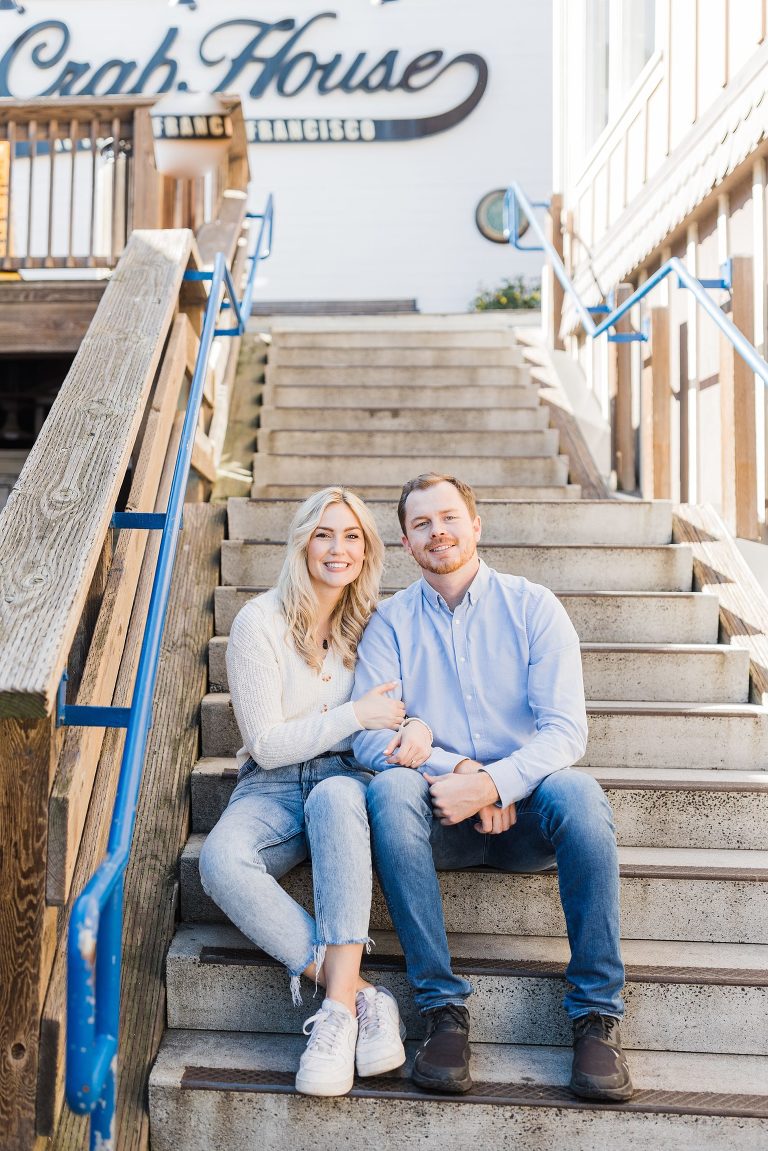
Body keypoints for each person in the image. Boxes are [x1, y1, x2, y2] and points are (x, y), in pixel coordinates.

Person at [352, 473, 633, 1102]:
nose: (437, 532)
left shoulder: (534, 606)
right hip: (439, 817)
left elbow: (565, 732)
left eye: (449, 517)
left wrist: (498, 785)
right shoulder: (389, 624)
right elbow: (370, 740)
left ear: (476, 526)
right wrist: (461, 776)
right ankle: (441, 1010)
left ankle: (595, 1017)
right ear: (405, 542)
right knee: (387, 792)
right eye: (421, 524)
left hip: (528, 817)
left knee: (581, 795)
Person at [198, 487, 432, 1097]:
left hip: (346, 780)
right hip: (270, 787)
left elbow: (397, 715)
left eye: (352, 536)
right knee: (221, 861)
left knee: (336, 800)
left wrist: (416, 729)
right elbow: (269, 744)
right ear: (302, 543)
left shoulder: (374, 627)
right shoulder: (260, 622)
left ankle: (333, 1016)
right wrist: (356, 714)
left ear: (368, 550)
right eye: (324, 534)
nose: (338, 548)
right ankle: (356, 997)